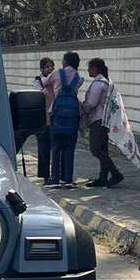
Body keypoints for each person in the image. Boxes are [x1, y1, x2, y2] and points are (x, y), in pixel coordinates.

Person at [42, 51, 83, 188]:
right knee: (69, 148)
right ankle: (68, 179)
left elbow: (45, 81)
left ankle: (55, 178)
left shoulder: (57, 73)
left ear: (66, 61)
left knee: (56, 147)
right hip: (72, 116)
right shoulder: (79, 78)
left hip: (57, 114)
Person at [83, 58, 124, 188]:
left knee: (95, 149)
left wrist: (82, 107)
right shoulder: (105, 82)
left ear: (95, 68)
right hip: (105, 119)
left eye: (89, 68)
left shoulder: (98, 84)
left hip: (98, 119)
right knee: (102, 149)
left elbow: (91, 103)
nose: (88, 70)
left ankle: (115, 173)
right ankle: (103, 177)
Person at [32, 57, 55, 180]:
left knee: (55, 148)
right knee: (43, 148)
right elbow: (39, 94)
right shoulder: (38, 81)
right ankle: (45, 174)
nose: (50, 69)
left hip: (54, 118)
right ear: (42, 69)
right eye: (47, 67)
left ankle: (56, 173)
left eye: (51, 66)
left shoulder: (56, 81)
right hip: (43, 120)